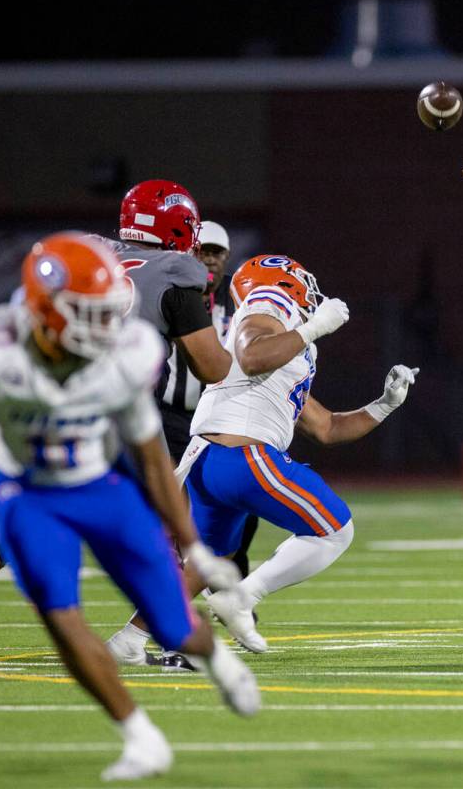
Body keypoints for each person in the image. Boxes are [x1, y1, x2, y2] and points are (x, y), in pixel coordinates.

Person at [0, 233, 259, 781]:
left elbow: (153, 460)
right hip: (27, 495)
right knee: (61, 618)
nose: (104, 328)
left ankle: (220, 663)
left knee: (174, 620)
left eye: (106, 314)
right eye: (87, 315)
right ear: (44, 310)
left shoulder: (125, 354)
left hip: (99, 483)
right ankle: (141, 737)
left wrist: (193, 547)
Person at [0, 180, 233, 675]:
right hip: (116, 410)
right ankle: (154, 638)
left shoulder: (89, 255)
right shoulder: (177, 270)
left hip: (40, 401)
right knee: (188, 529)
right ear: (179, 227)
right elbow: (212, 367)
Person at [178, 255, 416, 652]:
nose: (309, 289)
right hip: (242, 454)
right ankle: (242, 596)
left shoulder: (282, 353)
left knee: (208, 558)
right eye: (300, 280)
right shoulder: (264, 310)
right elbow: (253, 356)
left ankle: (131, 637)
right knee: (335, 528)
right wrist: (313, 327)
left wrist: (385, 404)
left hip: (210, 460)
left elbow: (326, 427)